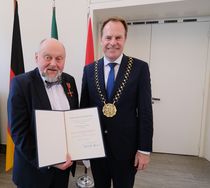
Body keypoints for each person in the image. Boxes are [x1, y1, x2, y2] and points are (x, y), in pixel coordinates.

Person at [80, 17, 153, 188]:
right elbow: (84, 110)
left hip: (126, 150)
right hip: (96, 148)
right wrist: (82, 148)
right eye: (108, 37)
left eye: (118, 37)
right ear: (101, 39)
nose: (113, 42)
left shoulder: (140, 68)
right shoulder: (89, 69)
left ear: (125, 39)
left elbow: (145, 111)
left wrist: (144, 150)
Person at [8, 38, 78, 188]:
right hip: (33, 172)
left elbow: (73, 120)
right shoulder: (21, 84)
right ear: (36, 57)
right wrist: (49, 160)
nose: (53, 63)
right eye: (48, 57)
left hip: (63, 169)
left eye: (59, 58)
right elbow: (19, 133)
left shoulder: (69, 81)